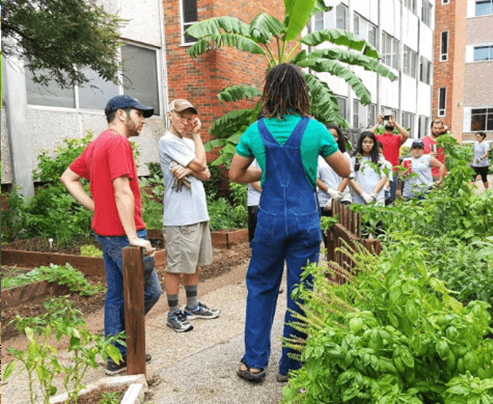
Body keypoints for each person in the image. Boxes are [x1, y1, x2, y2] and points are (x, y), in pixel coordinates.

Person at [228, 63, 350, 383]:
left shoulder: (256, 131)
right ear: (302, 92)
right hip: (304, 220)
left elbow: (236, 174)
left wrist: (264, 172)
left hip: (268, 221)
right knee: (302, 290)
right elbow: (345, 168)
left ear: (269, 92)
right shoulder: (316, 129)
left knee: (261, 288)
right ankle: (291, 366)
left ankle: (254, 363)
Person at [60, 95, 162, 375]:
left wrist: (97, 208)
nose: (143, 120)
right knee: (151, 290)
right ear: (121, 114)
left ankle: (115, 355)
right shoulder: (118, 142)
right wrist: (132, 236)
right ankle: (121, 349)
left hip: (105, 232)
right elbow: (122, 190)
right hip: (121, 234)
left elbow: (68, 177)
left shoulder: (98, 143)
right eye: (139, 114)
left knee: (116, 294)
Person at [158, 99, 219, 334]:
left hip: (196, 212)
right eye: (182, 116)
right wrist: (196, 141)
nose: (187, 121)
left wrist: (191, 167)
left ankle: (192, 305)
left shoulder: (184, 142)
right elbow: (202, 164)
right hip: (179, 216)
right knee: (175, 266)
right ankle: (173, 312)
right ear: (170, 115)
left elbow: (207, 175)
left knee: (193, 264)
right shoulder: (168, 141)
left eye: (189, 116)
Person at [368, 114, 409, 204]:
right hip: (378, 170)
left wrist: (396, 123)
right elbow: (369, 135)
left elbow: (406, 135)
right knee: (377, 194)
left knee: (390, 196)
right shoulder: (378, 137)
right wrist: (378, 123)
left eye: (392, 121)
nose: (390, 122)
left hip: (393, 170)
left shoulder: (397, 138)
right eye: (388, 121)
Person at [317, 124, 351, 216]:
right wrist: (330, 191)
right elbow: (315, 178)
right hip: (324, 200)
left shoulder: (345, 156)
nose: (332, 138)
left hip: (343, 198)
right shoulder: (318, 157)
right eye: (329, 135)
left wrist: (336, 195)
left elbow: (347, 176)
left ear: (339, 138)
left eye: (335, 136)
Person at [349, 131, 389, 206]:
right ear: (360, 143)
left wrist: (374, 193)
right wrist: (363, 194)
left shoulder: (379, 158)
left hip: (377, 196)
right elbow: (351, 179)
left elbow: (384, 177)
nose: (367, 145)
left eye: (370, 142)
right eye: (365, 142)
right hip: (359, 197)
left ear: (374, 144)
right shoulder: (354, 158)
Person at [247, 159, 262, 242]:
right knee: (257, 237)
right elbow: (253, 180)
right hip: (256, 202)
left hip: (277, 202)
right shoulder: (253, 153)